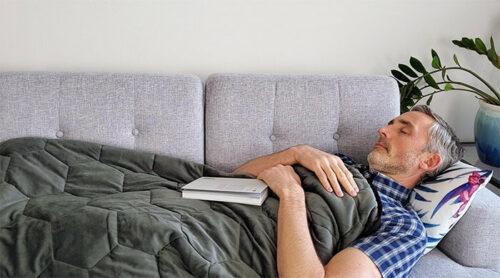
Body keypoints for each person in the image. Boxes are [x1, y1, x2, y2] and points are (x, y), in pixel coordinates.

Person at [233, 105, 463, 278]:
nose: (382, 130)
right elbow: (233, 179)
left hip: (233, 244)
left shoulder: (404, 228)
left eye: (403, 131)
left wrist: (291, 195)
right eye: (389, 124)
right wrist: (296, 153)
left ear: (429, 160)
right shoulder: (335, 162)